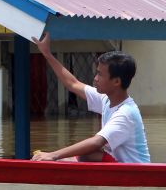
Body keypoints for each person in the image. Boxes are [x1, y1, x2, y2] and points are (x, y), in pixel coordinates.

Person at [30, 35, 150, 163]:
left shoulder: (126, 113)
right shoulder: (106, 99)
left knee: (90, 152)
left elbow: (96, 142)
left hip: (133, 173)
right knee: (82, 154)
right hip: (119, 166)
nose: (95, 78)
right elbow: (73, 84)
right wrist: (47, 54)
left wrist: (53, 155)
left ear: (116, 81)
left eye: (100, 74)